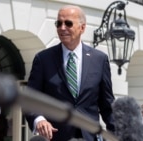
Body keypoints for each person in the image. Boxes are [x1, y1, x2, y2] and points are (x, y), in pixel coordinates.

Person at [26, 5, 115, 141]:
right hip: (56, 137)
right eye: (59, 23)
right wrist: (39, 119)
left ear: (82, 28)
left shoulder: (99, 60)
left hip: (89, 137)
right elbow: (30, 98)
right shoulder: (43, 59)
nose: (62, 28)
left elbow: (107, 105)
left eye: (68, 23)